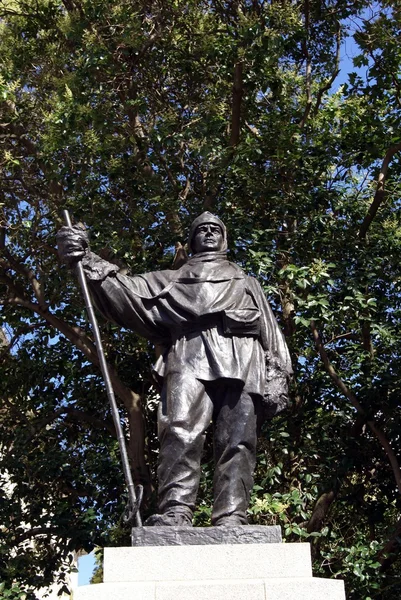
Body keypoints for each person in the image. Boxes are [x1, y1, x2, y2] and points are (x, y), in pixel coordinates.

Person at [57, 212, 292, 527]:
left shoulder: (248, 283)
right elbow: (125, 291)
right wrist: (84, 258)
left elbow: (271, 334)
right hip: (188, 355)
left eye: (215, 229)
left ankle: (232, 516)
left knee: (237, 440)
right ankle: (176, 511)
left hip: (243, 359)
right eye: (202, 229)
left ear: (225, 238)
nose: (208, 233)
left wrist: (278, 375)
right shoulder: (169, 281)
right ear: (192, 239)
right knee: (179, 431)